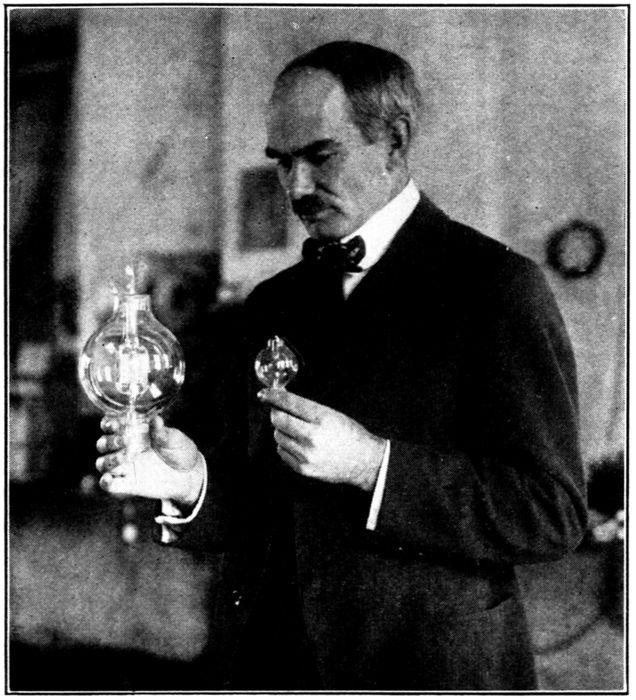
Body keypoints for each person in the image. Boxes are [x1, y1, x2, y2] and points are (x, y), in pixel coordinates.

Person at [96, 40, 588, 690]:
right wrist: (191, 484)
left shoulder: (495, 287)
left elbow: (552, 512)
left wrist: (372, 466)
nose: (296, 187)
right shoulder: (274, 302)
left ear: (394, 142)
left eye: (321, 156)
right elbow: (267, 507)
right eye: (282, 162)